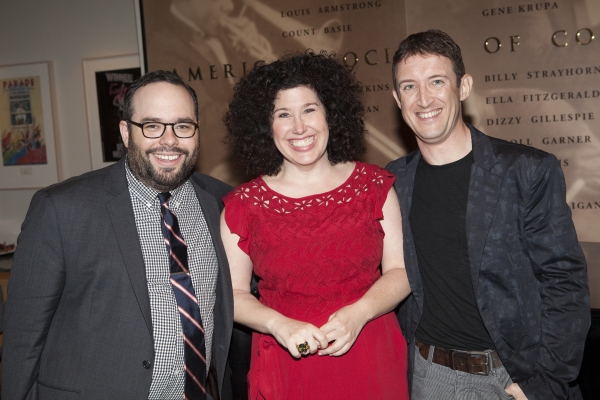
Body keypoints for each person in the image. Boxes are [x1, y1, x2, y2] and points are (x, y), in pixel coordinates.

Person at [2, 70, 234, 400]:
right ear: (126, 132)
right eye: (152, 126)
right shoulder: (61, 209)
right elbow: (23, 336)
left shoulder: (224, 203)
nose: (169, 140)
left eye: (183, 126)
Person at [387, 30, 590, 400]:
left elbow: (565, 283)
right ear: (397, 98)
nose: (424, 99)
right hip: (426, 376)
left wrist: (546, 382)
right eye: (409, 86)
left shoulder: (527, 170)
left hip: (512, 378)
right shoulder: (392, 180)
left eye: (436, 81)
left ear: (463, 87)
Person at [220, 52, 411, 399]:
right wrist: (278, 324)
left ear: (331, 115)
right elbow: (232, 296)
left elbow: (400, 272)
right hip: (286, 363)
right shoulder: (244, 205)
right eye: (283, 114)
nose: (299, 127)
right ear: (266, 126)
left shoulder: (373, 186)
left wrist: (359, 313)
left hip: (369, 354)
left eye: (309, 109)